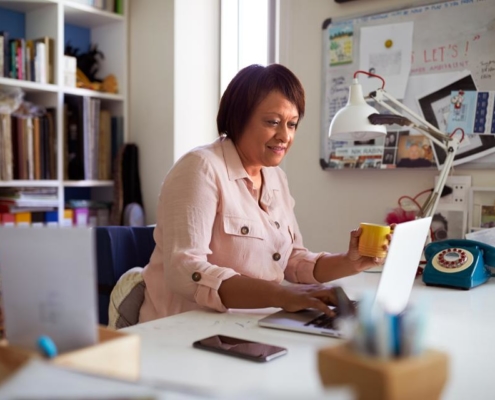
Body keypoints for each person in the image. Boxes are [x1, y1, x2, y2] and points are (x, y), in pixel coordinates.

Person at [110, 64, 391, 327]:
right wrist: (280, 295)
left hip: (252, 324)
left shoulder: (275, 178)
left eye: (292, 124)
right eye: (273, 121)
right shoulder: (200, 168)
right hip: (184, 327)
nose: (284, 136)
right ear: (239, 118)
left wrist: (349, 261)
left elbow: (292, 260)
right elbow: (185, 272)